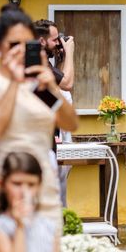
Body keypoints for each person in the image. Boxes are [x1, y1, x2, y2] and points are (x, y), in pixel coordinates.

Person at [0, 8, 78, 227]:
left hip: (43, 187)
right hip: (5, 189)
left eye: (25, 44)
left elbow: (70, 122)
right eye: (13, 44)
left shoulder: (39, 88)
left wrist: (50, 86)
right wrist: (14, 82)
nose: (19, 50)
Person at [33, 19, 76, 207]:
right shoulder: (36, 62)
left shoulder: (42, 62)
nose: (59, 42)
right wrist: (70, 53)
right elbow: (67, 84)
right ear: (42, 41)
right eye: (55, 39)